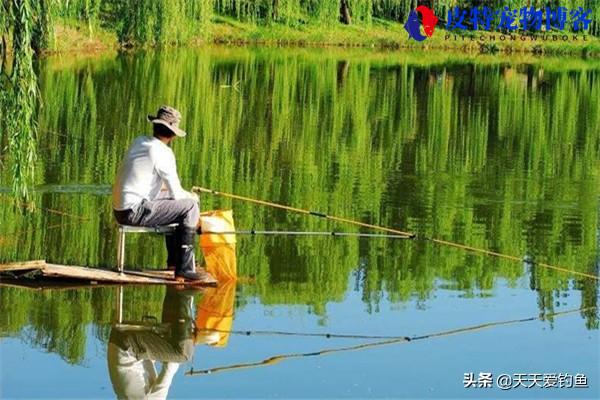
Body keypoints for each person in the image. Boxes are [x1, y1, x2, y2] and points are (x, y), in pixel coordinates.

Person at [112, 105, 209, 282]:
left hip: (120, 209)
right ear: (172, 134)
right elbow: (178, 195)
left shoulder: (139, 141)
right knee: (190, 207)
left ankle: (174, 262)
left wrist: (181, 194)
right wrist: (193, 197)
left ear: (155, 126)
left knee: (176, 203)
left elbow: (161, 188)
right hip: (134, 211)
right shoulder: (163, 153)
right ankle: (184, 269)